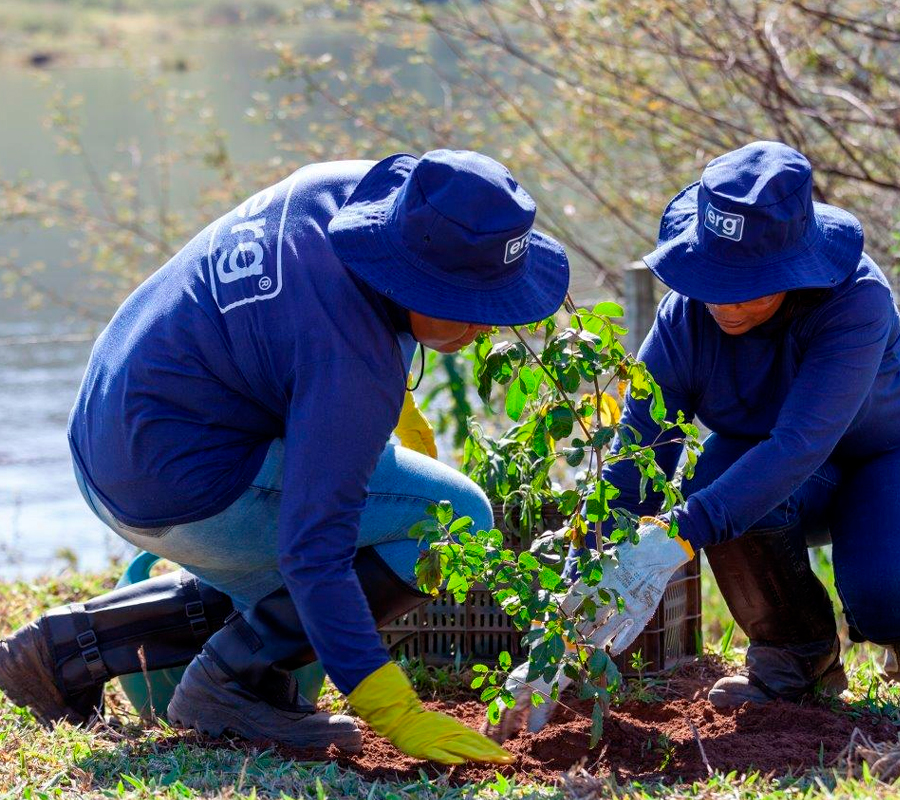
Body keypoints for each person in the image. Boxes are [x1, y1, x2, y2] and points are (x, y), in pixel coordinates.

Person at [0, 149, 569, 764]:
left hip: (108, 432)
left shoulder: (351, 194)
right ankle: (231, 687)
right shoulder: (350, 363)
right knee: (454, 520)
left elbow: (293, 328)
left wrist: (383, 403)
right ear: (413, 277)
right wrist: (393, 711)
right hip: (176, 482)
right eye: (469, 305)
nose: (485, 327)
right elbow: (314, 549)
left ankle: (68, 648)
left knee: (299, 596)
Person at [499, 140, 900, 736]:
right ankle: (797, 657)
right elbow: (637, 463)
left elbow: (799, 444)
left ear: (797, 271)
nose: (726, 303)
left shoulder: (855, 305)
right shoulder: (685, 322)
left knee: (883, 595)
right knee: (715, 476)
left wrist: (675, 539)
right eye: (714, 279)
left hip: (879, 459)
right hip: (769, 476)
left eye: (751, 286)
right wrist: (562, 625)